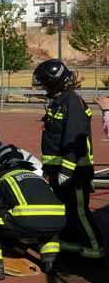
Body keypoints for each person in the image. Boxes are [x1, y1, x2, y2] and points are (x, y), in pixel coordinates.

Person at [32, 59, 104, 261]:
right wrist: (49, 168)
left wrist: (67, 169)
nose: (41, 86)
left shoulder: (72, 101)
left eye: (44, 82)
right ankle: (74, 248)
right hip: (59, 170)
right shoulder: (59, 101)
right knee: (67, 212)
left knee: (79, 212)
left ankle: (95, 250)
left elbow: (74, 138)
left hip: (75, 171)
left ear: (54, 82)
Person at [0, 145, 66, 280]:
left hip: (27, 221)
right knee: (46, 220)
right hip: (58, 220)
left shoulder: (3, 177)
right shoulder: (36, 176)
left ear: (0, 162)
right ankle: (50, 262)